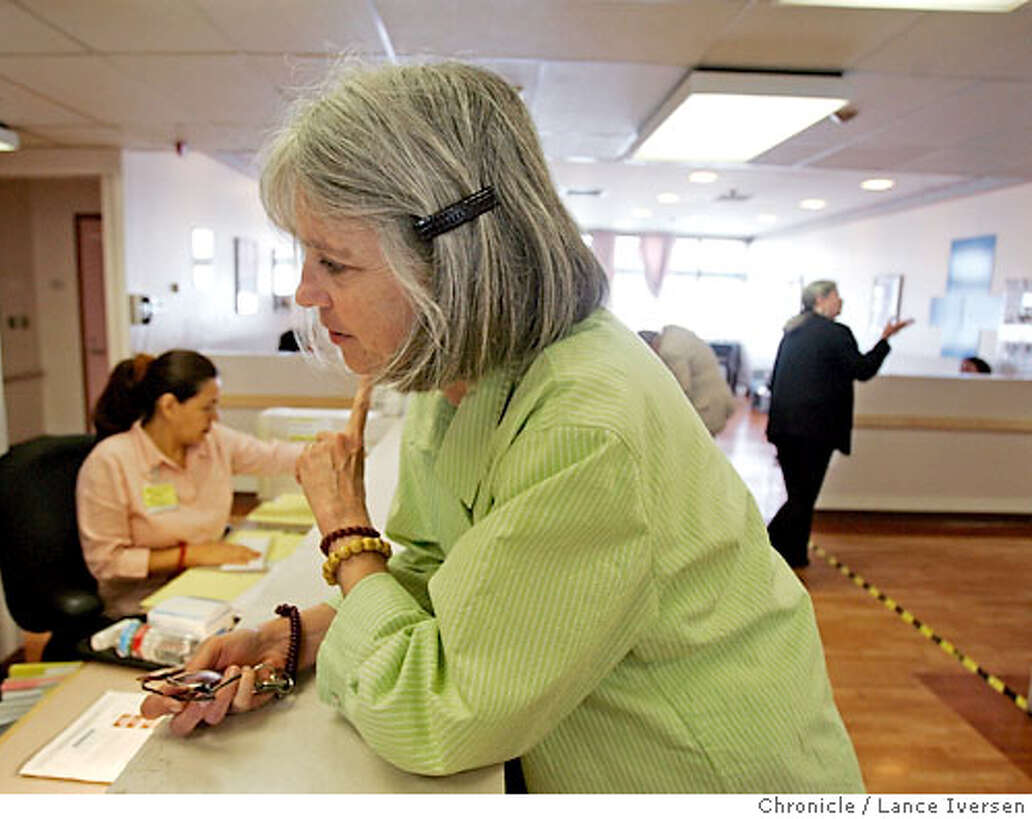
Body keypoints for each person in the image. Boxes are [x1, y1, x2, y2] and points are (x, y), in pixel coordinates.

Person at [141, 62, 864, 793]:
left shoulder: (586, 422)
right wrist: (298, 637)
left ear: (450, 265)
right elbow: (440, 575)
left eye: (334, 261)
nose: (305, 291)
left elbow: (438, 715)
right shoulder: (458, 370)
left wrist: (346, 532)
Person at [77, 350, 304, 617]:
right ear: (169, 406)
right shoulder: (110, 461)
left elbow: (274, 456)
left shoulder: (213, 442)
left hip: (208, 582)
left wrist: (334, 448)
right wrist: (191, 555)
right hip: (144, 606)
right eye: (207, 407)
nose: (215, 417)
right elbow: (107, 562)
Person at [766, 281, 912, 569]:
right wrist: (885, 340)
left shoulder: (793, 331)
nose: (841, 302)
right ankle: (766, 544)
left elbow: (774, 380)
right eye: (836, 297)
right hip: (815, 430)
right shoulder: (835, 333)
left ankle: (794, 553)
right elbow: (863, 369)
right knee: (804, 496)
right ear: (821, 300)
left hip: (785, 426)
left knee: (799, 494)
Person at [642, 325, 736, 435]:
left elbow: (681, 389)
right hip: (719, 398)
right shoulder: (673, 333)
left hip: (706, 408)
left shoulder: (670, 351)